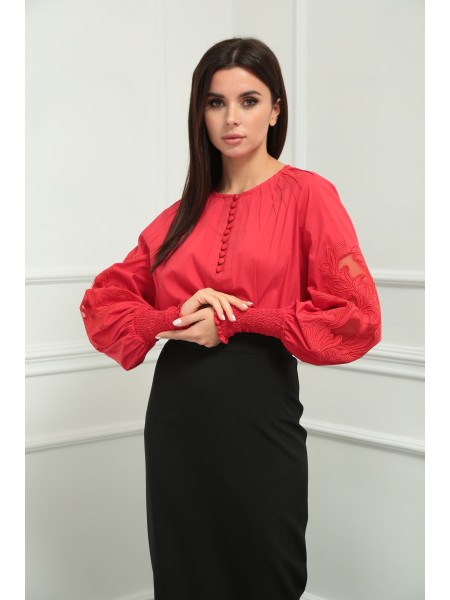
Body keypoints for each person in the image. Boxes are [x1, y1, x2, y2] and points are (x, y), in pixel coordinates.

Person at [80, 37, 381, 600]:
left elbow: (355, 317)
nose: (231, 118)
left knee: (266, 569)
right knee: (184, 574)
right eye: (215, 102)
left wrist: (240, 320)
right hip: (177, 417)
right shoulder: (179, 215)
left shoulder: (310, 196)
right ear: (200, 113)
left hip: (258, 411)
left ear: (276, 109)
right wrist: (170, 317)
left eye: (249, 100)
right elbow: (103, 302)